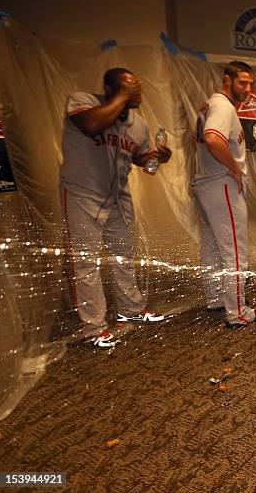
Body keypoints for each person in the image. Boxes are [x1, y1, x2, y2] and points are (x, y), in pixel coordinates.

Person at [60, 68, 171, 348]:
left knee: (124, 256)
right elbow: (91, 126)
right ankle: (93, 328)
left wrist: (159, 158)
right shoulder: (82, 101)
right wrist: (121, 98)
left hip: (118, 197)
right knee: (85, 262)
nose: (136, 91)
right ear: (109, 88)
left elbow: (145, 164)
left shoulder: (139, 124)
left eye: (137, 87)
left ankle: (131, 310)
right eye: (128, 86)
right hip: (82, 193)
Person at [192, 61, 256, 329]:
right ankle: (238, 312)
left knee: (212, 246)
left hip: (206, 183)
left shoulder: (213, 105)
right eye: (242, 82)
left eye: (250, 83)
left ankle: (215, 299)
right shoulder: (222, 105)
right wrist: (234, 168)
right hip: (221, 183)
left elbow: (196, 139)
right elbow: (212, 139)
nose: (247, 88)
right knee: (234, 250)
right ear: (227, 80)